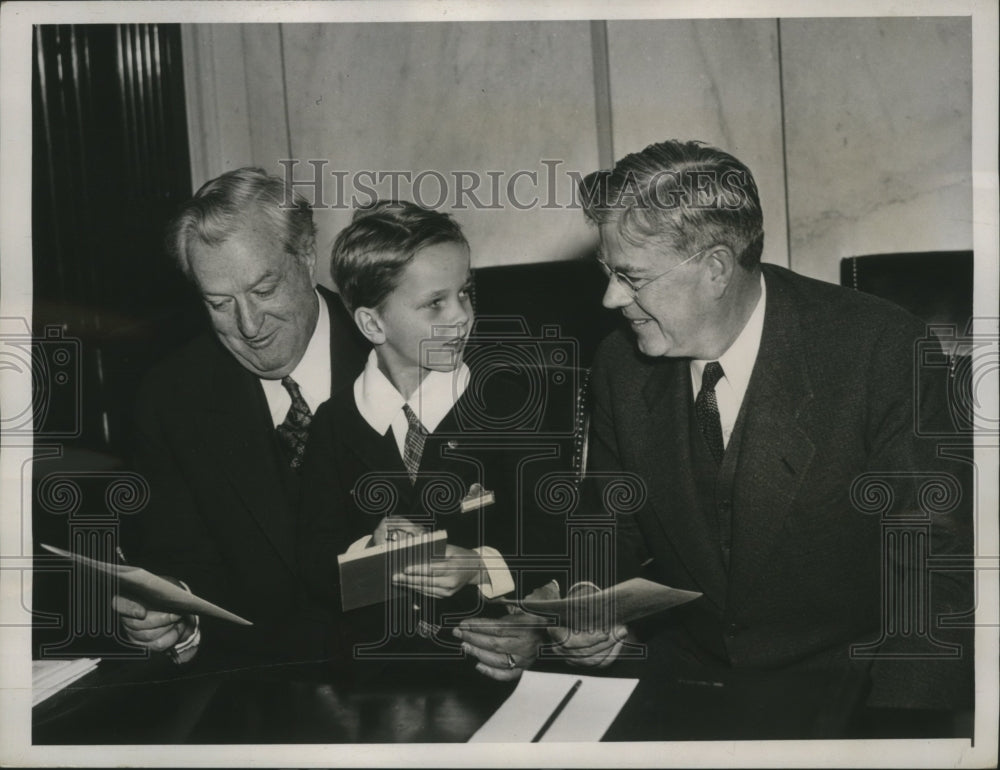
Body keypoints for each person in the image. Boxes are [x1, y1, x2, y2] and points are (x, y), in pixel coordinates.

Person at [546, 140, 973, 710]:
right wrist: (590, 600)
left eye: (632, 276)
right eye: (607, 270)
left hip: (848, 686)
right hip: (685, 678)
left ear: (716, 268)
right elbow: (605, 521)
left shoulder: (878, 350)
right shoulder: (619, 366)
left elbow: (932, 574)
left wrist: (902, 737)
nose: (609, 298)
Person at [112, 167, 369, 666]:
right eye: (219, 303)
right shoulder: (171, 398)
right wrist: (173, 617)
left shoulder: (396, 353)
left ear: (307, 254)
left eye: (264, 289)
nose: (249, 326)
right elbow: (174, 563)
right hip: (258, 697)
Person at [297, 200, 558, 680]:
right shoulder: (335, 425)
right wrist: (369, 551)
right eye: (435, 303)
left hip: (485, 668)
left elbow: (550, 536)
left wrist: (478, 566)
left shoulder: (506, 404)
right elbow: (316, 565)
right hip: (374, 675)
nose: (461, 316)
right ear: (372, 323)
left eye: (465, 293)